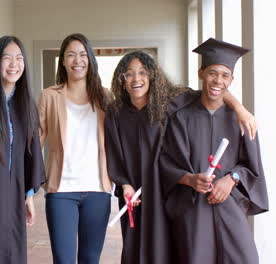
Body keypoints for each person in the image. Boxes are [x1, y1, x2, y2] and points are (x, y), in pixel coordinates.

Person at [105, 50, 257, 264]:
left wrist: (240, 109)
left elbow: (213, 90)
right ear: (121, 79)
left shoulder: (169, 102)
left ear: (152, 76)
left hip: (165, 190)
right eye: (129, 74)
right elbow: (114, 152)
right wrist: (124, 185)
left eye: (142, 72)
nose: (136, 79)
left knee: (169, 247)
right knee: (136, 249)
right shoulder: (116, 111)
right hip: (136, 195)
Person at [160, 38, 268, 263]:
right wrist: (190, 179)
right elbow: (166, 163)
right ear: (201, 73)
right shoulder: (182, 117)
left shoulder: (241, 121)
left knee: (244, 258)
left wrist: (231, 179)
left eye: (225, 75)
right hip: (193, 208)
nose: (218, 80)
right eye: (212, 73)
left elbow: (252, 168)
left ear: (231, 80)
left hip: (229, 205)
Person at [39, 33, 112, 264]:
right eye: (71, 55)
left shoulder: (105, 97)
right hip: (61, 190)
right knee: (63, 259)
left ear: (90, 59)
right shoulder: (50, 96)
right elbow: (36, 139)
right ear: (63, 61)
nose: (77, 60)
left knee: (91, 259)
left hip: (98, 189)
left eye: (82, 54)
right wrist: (27, 185)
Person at [0, 36, 45, 264]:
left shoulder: (26, 105)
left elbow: (30, 153)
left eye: (19, 58)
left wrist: (28, 196)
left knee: (11, 251)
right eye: (7, 58)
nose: (14, 64)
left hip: (13, 192)